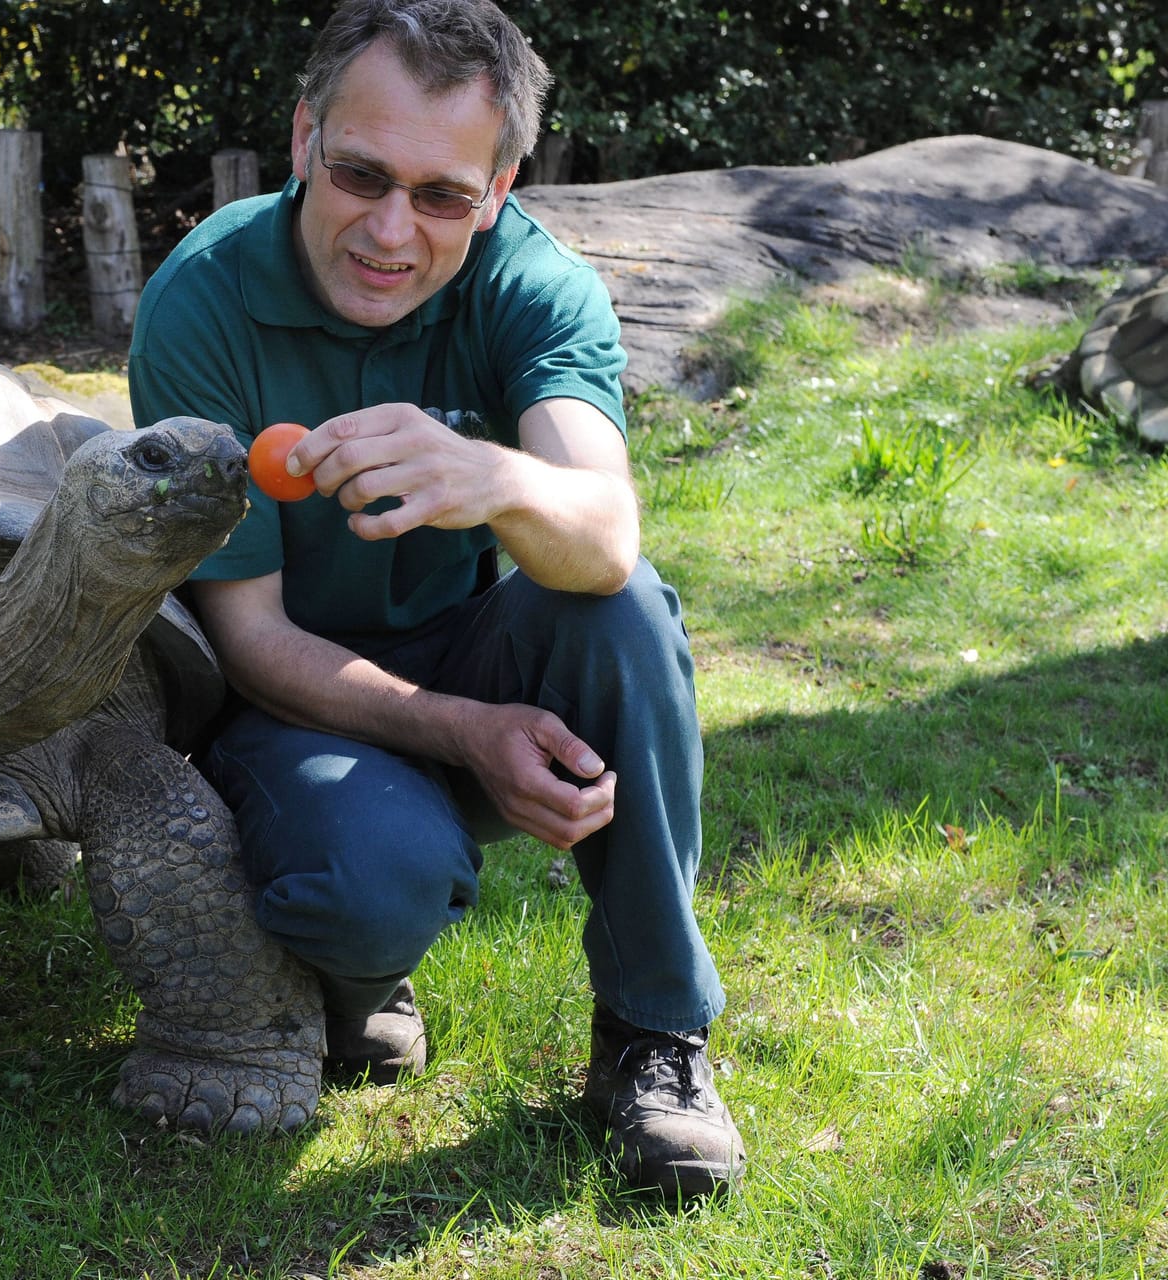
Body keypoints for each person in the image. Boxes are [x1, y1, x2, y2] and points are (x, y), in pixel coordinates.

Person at [126, 0, 744, 1197]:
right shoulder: (202, 300)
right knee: (369, 886)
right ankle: (356, 966)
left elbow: (607, 537)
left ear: (502, 185)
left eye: (444, 195)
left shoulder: (533, 282)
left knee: (621, 611)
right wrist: (468, 732)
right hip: (285, 698)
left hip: (466, 641)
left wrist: (496, 477)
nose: (392, 231)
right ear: (304, 138)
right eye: (361, 174)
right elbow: (249, 636)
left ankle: (654, 1037)